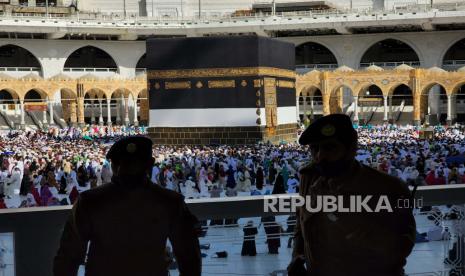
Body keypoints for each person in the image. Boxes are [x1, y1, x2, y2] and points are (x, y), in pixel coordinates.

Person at [54, 136, 202, 276]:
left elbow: (68, 257)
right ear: (150, 164)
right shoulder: (171, 202)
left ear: (114, 165)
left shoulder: (89, 201)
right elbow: (189, 256)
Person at [288, 114, 416, 276]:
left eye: (330, 147)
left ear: (351, 149)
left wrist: (338, 211)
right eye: (314, 148)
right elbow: (301, 225)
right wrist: (297, 256)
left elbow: (402, 247)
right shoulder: (309, 178)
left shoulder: (390, 189)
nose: (320, 156)